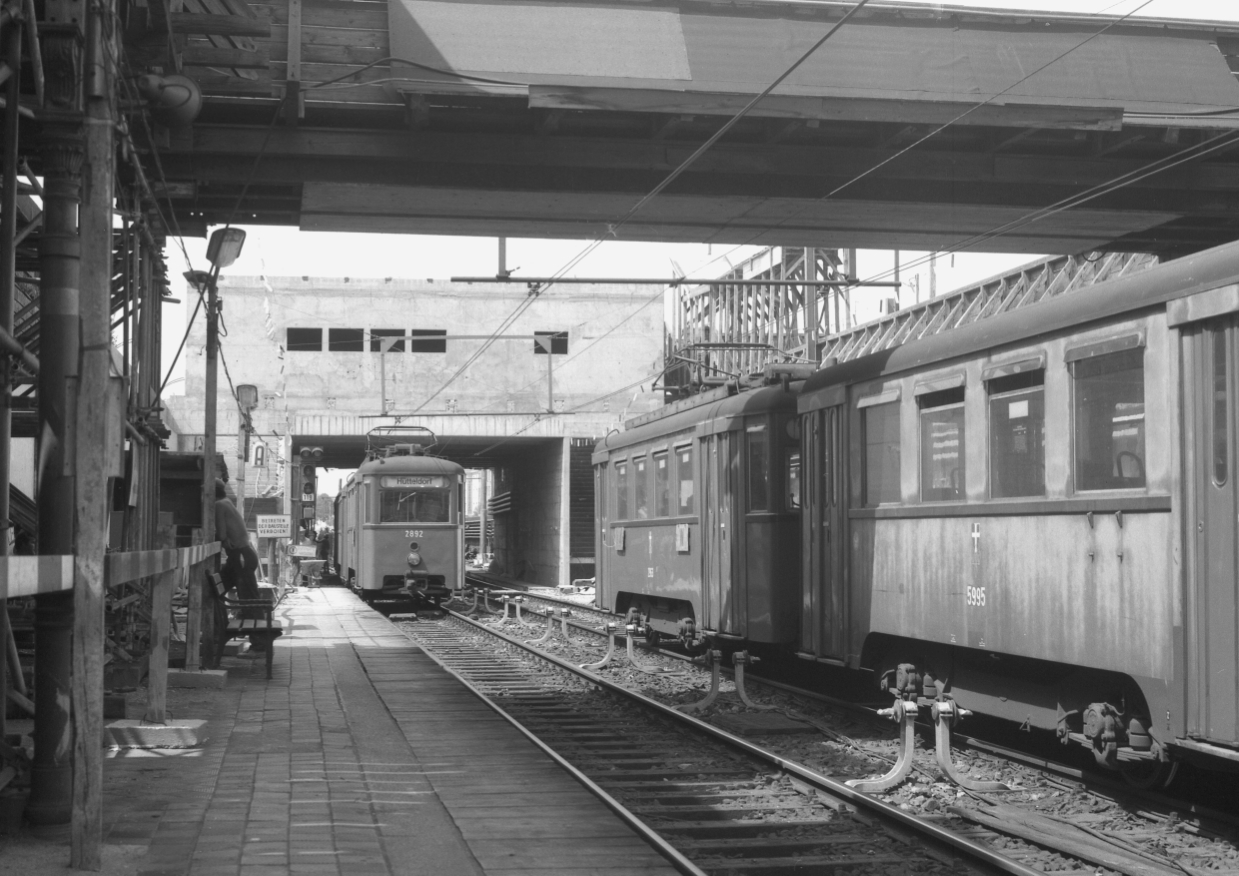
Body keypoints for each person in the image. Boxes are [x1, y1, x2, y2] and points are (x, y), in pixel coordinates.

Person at [215, 479, 264, 650]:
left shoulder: (219, 505)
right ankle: (220, 629)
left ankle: (259, 643)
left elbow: (220, 534)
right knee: (214, 591)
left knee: (249, 599)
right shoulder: (227, 502)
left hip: (240, 557)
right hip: (241, 556)